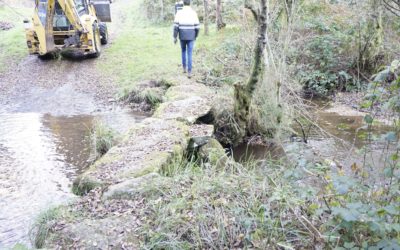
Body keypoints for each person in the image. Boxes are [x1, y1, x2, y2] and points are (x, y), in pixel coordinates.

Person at [173, 0, 200, 78]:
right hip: (191, 35)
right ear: (190, 3)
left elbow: (175, 26)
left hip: (182, 35)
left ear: (183, 3)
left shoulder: (179, 13)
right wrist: (196, 36)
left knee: (183, 51)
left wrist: (175, 37)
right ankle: (189, 72)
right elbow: (197, 27)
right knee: (190, 53)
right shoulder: (194, 13)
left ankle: (184, 68)